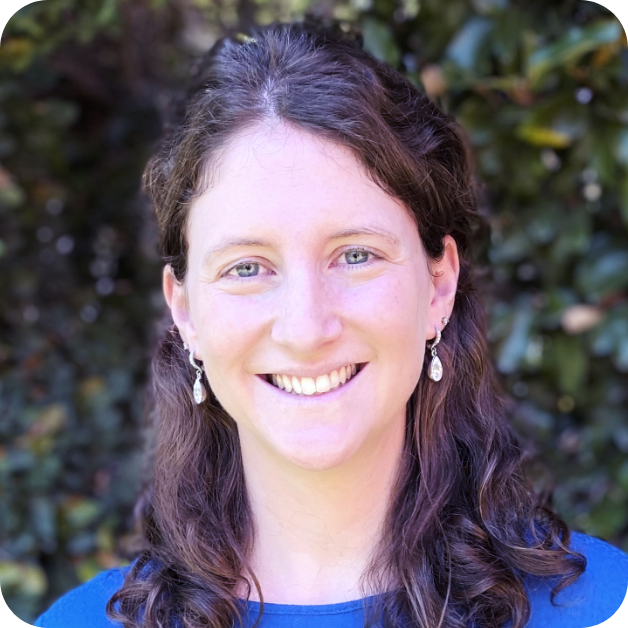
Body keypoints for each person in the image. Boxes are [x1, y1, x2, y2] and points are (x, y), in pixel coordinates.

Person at [32, 19, 627, 628]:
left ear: (439, 284)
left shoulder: (597, 604)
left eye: (356, 255)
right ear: (184, 310)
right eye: (247, 267)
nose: (306, 328)